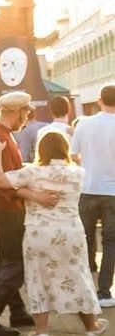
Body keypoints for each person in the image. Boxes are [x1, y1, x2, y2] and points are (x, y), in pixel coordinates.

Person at [0, 131, 106, 336]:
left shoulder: (32, 172)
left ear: (40, 150)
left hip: (39, 232)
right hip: (71, 232)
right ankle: (91, 327)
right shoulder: (78, 173)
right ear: (65, 149)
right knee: (78, 276)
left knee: (38, 277)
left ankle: (42, 331)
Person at [0, 91, 56, 336]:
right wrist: (36, 196)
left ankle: (17, 311)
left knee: (5, 265)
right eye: (25, 113)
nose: (26, 119)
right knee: (12, 264)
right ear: (15, 111)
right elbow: (3, 183)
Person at [71, 84, 115, 308]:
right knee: (110, 243)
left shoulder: (85, 124)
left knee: (86, 238)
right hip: (112, 193)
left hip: (87, 189)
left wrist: (88, 163)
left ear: (99, 101)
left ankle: (86, 287)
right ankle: (104, 292)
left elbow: (72, 154)